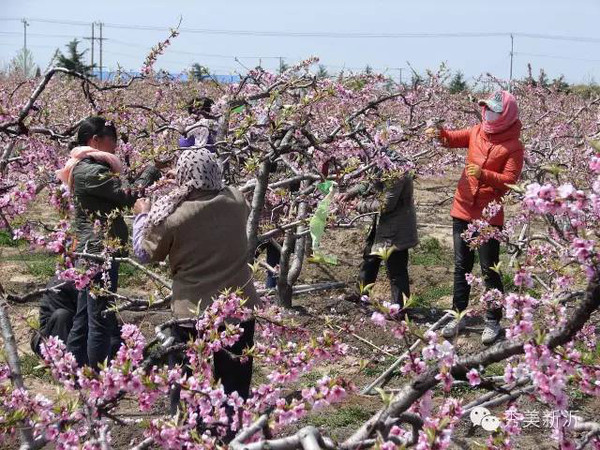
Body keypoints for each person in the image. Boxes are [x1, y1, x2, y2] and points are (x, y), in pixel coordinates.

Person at [131, 149, 260, 415]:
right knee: (235, 381)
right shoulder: (236, 199)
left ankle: (190, 432)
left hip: (193, 310)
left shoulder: (173, 217)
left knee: (190, 382)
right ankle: (233, 432)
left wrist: (142, 214)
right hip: (238, 306)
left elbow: (144, 253)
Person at [56, 116, 160, 369]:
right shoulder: (89, 171)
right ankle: (97, 376)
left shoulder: (87, 167)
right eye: (111, 139)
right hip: (99, 250)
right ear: (95, 140)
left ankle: (73, 369)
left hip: (92, 249)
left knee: (85, 314)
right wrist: (151, 170)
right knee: (100, 316)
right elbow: (127, 194)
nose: (115, 145)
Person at [426, 90, 524, 344]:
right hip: (462, 208)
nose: (488, 113)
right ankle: (458, 313)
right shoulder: (476, 131)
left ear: (507, 114)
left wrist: (484, 174)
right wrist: (438, 134)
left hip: (488, 215)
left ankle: (493, 320)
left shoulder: (513, 145)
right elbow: (450, 139)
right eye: (486, 108)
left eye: (494, 109)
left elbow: (511, 182)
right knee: (462, 266)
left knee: (489, 269)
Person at [342, 169, 418, 309]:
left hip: (397, 227)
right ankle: (361, 294)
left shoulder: (397, 171)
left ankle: (400, 308)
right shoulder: (379, 162)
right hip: (382, 224)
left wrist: (358, 206)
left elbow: (386, 204)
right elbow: (370, 181)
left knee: (396, 268)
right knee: (370, 257)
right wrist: (351, 192)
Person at [30, 276, 78, 356]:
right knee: (62, 316)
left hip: (74, 332)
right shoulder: (60, 284)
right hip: (49, 340)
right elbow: (80, 322)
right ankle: (64, 362)